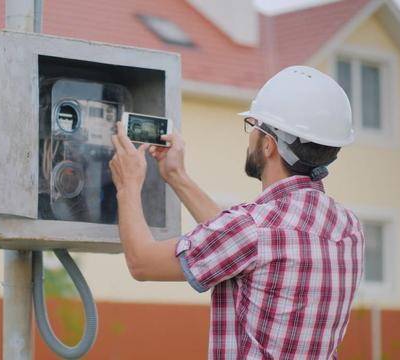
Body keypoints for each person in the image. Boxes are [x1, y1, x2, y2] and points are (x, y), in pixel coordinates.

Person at [109, 65, 365, 359]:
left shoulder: (254, 229)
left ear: (268, 145)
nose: (249, 138)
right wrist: (176, 176)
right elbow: (235, 246)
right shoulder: (348, 229)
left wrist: (127, 184)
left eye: (253, 126)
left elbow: (142, 263)